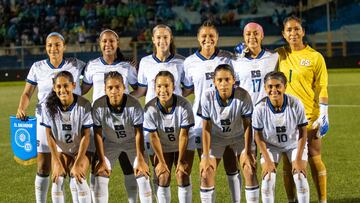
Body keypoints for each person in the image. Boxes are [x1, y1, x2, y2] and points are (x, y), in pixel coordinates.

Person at [16, 32, 86, 203]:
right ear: (45, 47)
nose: (53, 48)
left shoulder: (76, 64)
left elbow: (98, 73)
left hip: (70, 120)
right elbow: (27, 92)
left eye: (57, 44)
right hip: (44, 119)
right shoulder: (37, 67)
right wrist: (21, 108)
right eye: (49, 45)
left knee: (70, 166)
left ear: (64, 46)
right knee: (43, 166)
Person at [182, 20, 242, 203]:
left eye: (211, 36)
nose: (208, 39)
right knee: (206, 168)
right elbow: (186, 90)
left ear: (217, 38)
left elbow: (237, 85)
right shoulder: (190, 62)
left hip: (228, 119)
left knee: (232, 165)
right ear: (198, 38)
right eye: (204, 36)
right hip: (202, 121)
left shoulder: (228, 59)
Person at [81, 29, 139, 203]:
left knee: (128, 166)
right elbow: (83, 90)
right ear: (99, 43)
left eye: (111, 41)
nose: (108, 44)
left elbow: (139, 89)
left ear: (117, 42)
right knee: (98, 166)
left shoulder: (127, 67)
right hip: (98, 123)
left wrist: (127, 100)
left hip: (123, 122)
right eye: (104, 41)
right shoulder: (92, 65)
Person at [277, 16, 329, 203]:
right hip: (285, 119)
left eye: (297, 29)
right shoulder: (279, 55)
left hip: (310, 116)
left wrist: (324, 113)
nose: (293, 33)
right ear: (283, 34)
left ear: (303, 31)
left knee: (315, 157)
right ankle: (292, 200)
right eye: (289, 30)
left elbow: (323, 86)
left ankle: (322, 200)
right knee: (288, 162)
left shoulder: (315, 57)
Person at [133, 24, 188, 195]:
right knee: (161, 172)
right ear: (153, 39)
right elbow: (141, 91)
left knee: (181, 172)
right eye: (159, 37)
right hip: (153, 121)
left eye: (165, 37)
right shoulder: (145, 62)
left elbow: (186, 89)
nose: (162, 40)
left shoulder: (181, 61)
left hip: (176, 119)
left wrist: (178, 102)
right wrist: (123, 98)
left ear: (170, 39)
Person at [232, 22, 279, 202]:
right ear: (243, 37)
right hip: (245, 122)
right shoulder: (236, 62)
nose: (252, 37)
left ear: (262, 35)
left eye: (255, 33)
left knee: (268, 169)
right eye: (248, 34)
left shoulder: (273, 58)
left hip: (269, 120)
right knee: (248, 166)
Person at [198, 64, 256, 203]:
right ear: (214, 82)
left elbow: (248, 125)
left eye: (227, 79)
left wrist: (247, 152)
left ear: (233, 80)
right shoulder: (207, 97)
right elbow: (205, 128)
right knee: (206, 173)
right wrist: (205, 156)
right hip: (216, 138)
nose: (223, 84)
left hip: (239, 137)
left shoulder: (243, 95)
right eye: (219, 80)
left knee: (250, 170)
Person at [92, 71, 152, 203]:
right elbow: (97, 133)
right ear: (105, 89)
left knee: (143, 174)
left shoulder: (134, 104)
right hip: (110, 142)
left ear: (124, 87)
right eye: (110, 88)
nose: (114, 91)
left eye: (117, 87)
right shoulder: (98, 105)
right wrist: (101, 160)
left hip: (132, 142)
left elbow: (139, 133)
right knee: (100, 175)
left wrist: (141, 158)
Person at [252, 71, 310, 203]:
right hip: (271, 146)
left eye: (278, 86)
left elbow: (303, 131)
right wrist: (266, 159)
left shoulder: (295, 103)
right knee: (267, 179)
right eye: (270, 86)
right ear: (265, 88)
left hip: (294, 144)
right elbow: (258, 135)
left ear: (285, 86)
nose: (274, 90)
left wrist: (299, 158)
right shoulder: (260, 108)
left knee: (300, 177)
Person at [41, 71, 92, 203]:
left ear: (73, 85)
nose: (62, 90)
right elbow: (49, 135)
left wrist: (78, 161)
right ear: (54, 88)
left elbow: (86, 136)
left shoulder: (84, 105)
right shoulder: (47, 106)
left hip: (82, 149)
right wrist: (57, 161)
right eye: (58, 86)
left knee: (78, 176)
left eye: (66, 86)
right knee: (57, 180)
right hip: (62, 149)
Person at [143, 71, 194, 203]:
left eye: (167, 86)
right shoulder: (150, 108)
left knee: (182, 174)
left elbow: (184, 135)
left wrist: (181, 161)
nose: (163, 90)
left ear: (174, 87)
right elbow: (153, 137)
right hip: (162, 144)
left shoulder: (184, 105)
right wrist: (161, 161)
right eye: (159, 86)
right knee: (163, 175)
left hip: (183, 143)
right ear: (154, 88)